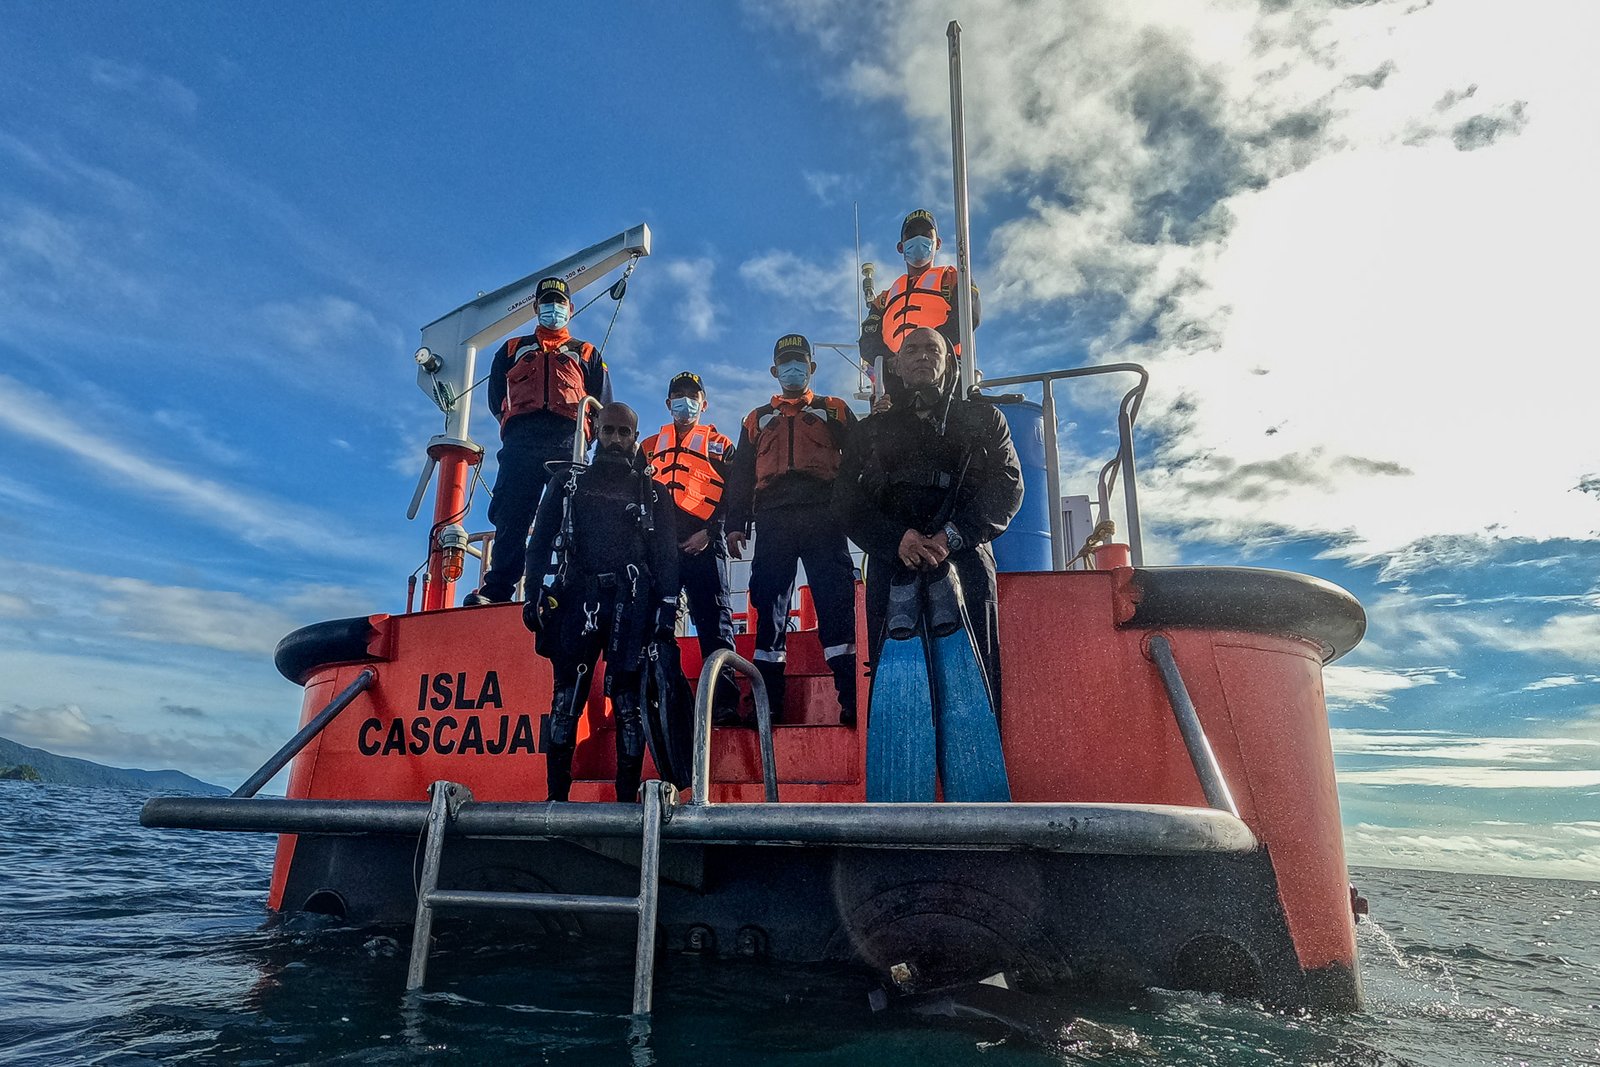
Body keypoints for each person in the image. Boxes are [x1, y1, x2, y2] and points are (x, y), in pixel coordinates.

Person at [834, 326, 1022, 713]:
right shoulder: (870, 430)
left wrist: (954, 535)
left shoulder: (984, 419)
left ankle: (976, 754)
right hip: (892, 562)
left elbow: (1007, 486)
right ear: (898, 366)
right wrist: (894, 539)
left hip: (965, 558)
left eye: (931, 349)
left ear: (948, 361)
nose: (922, 355)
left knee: (976, 673)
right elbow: (846, 500)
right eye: (912, 349)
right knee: (894, 680)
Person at [522, 402, 679, 802]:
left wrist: (664, 612)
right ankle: (555, 798)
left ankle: (626, 802)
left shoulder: (653, 494)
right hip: (577, 598)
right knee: (565, 700)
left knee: (629, 704)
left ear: (635, 439)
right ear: (595, 433)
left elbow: (666, 559)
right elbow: (539, 542)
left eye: (623, 433)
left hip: (631, 604)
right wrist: (533, 592)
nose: (615, 439)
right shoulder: (566, 484)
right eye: (608, 431)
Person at [725, 335, 860, 725]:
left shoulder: (834, 411)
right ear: (774, 371)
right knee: (768, 611)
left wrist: (849, 506)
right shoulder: (755, 420)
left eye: (800, 361)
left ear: (812, 368)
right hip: (773, 520)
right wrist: (735, 525)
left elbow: (860, 458)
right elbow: (741, 477)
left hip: (824, 516)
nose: (793, 369)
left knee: (836, 605)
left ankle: (852, 700)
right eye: (786, 362)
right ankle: (767, 709)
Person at [464, 276, 611, 606]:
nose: (553, 308)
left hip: (567, 442)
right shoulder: (512, 349)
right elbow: (495, 399)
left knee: (569, 517)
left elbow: (603, 406)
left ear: (570, 309)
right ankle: (498, 588)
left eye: (559, 303)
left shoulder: (586, 353)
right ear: (535, 308)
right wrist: (512, 424)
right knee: (511, 515)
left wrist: (597, 454)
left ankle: (568, 584)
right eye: (547, 302)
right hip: (521, 442)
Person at [640, 372, 741, 721]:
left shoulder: (721, 445)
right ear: (668, 403)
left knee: (715, 621)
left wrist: (712, 533)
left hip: (704, 543)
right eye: (678, 395)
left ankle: (724, 700)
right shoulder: (649, 446)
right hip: (661, 548)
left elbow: (736, 494)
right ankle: (658, 698)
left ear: (704, 402)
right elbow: (637, 496)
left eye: (692, 395)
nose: (686, 401)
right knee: (657, 623)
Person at [858, 209, 981, 406]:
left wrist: (932, 350)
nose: (919, 239)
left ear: (937, 243)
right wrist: (895, 361)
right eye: (911, 235)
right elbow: (867, 341)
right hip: (897, 383)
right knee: (888, 431)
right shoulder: (884, 298)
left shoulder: (954, 278)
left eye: (926, 235)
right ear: (901, 247)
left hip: (946, 376)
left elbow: (969, 316)